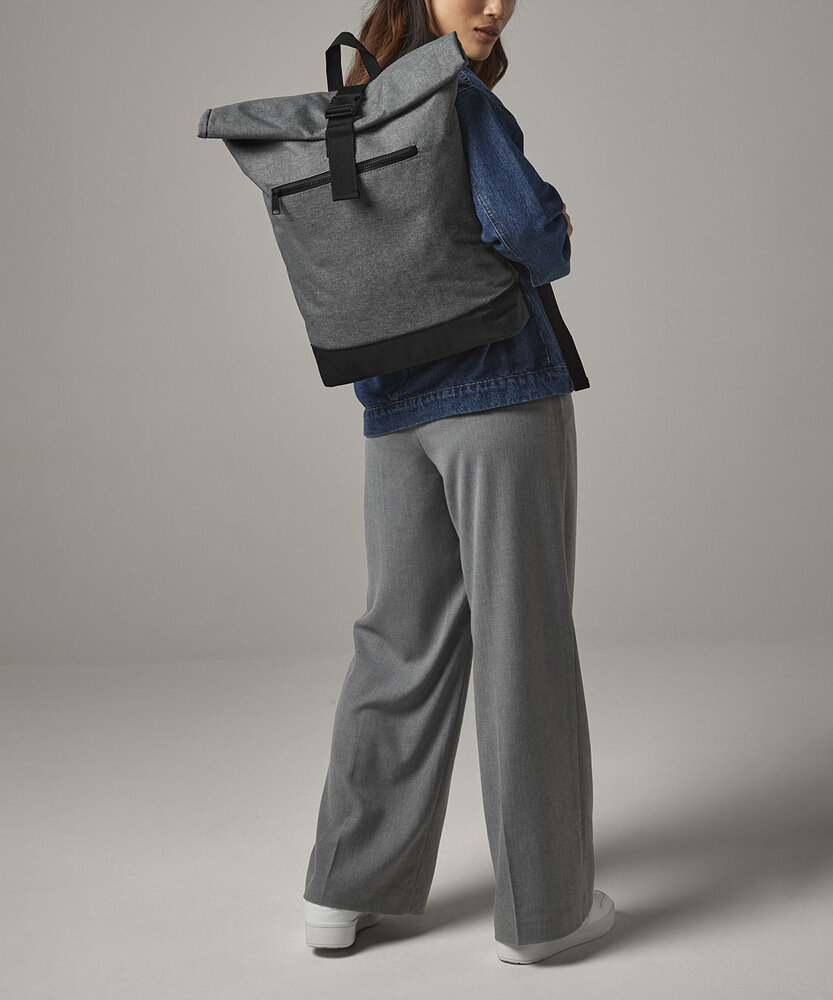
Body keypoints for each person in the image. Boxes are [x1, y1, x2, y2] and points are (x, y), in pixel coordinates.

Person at [302, 0, 615, 965]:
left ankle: (341, 891)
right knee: (522, 644)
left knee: (397, 642)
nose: (493, 4)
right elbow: (531, 234)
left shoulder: (351, 109)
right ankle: (544, 916)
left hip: (394, 408)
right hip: (498, 394)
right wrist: (553, 220)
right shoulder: (456, 96)